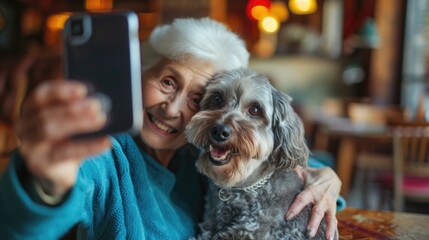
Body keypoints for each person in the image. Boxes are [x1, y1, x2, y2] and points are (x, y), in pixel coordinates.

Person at [0, 17, 342, 239]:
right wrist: (44, 184)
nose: (173, 108)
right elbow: (23, 227)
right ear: (139, 75)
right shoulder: (103, 152)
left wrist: (325, 176)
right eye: (166, 81)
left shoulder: (205, 156)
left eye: (197, 99)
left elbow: (275, 181)